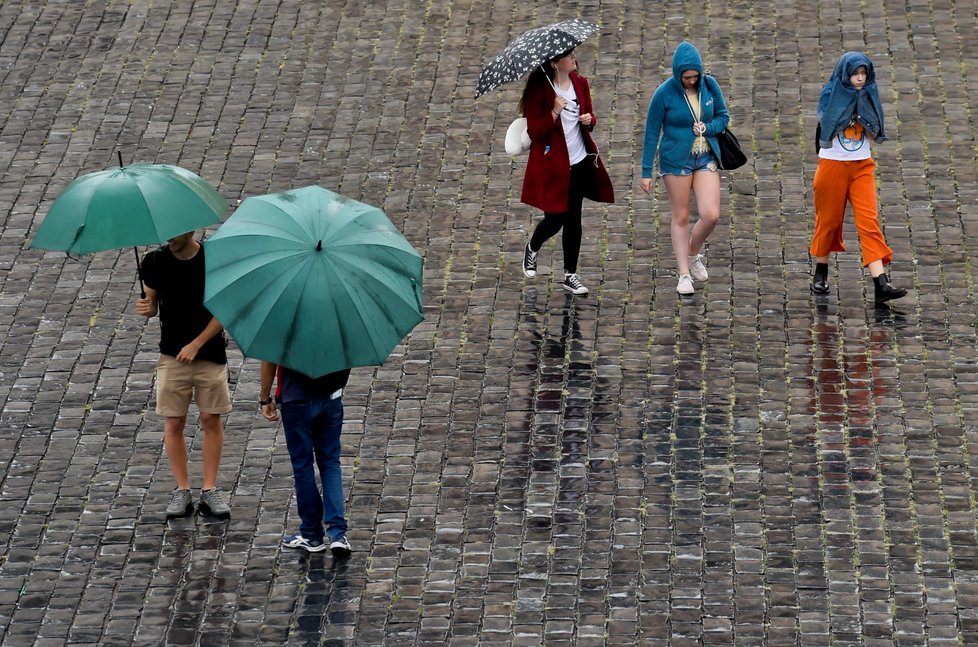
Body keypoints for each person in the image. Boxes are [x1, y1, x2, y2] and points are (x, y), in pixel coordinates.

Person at [136, 230, 232, 519]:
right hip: (171, 355)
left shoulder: (213, 261)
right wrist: (147, 307)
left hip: (209, 353)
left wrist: (197, 343)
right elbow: (152, 306)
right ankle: (182, 489)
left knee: (210, 418)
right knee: (173, 421)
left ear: (190, 230)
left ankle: (210, 489)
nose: (170, 238)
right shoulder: (154, 262)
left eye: (175, 233)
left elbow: (224, 309)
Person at [809, 51, 907, 303]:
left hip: (862, 165)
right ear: (845, 74)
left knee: (869, 221)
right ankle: (821, 272)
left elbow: (876, 134)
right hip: (833, 165)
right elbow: (828, 127)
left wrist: (866, 115)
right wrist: (849, 108)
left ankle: (881, 283)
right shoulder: (830, 94)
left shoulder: (870, 95)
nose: (860, 78)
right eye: (855, 74)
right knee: (828, 221)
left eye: (863, 73)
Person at [519, 47, 615, 296]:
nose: (574, 59)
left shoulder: (580, 82)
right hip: (554, 166)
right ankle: (533, 246)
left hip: (580, 161)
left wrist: (588, 120)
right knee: (555, 218)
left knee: (574, 219)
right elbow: (534, 133)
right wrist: (554, 111)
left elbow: (591, 117)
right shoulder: (539, 91)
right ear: (554, 63)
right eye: (568, 56)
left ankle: (570, 275)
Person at [640, 41, 730, 296]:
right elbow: (651, 132)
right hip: (675, 161)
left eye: (695, 76)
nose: (691, 81)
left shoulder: (710, 87)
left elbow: (723, 116)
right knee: (680, 216)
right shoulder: (664, 93)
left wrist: (708, 128)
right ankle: (683, 275)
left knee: (711, 214)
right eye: (686, 77)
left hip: (705, 157)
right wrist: (647, 171)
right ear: (677, 73)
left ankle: (692, 252)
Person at [260, 362, 353, 558]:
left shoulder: (283, 329)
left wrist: (264, 398)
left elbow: (268, 359)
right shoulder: (339, 329)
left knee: (303, 466)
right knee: (330, 463)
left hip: (297, 399)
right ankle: (338, 534)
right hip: (331, 396)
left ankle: (311, 534)